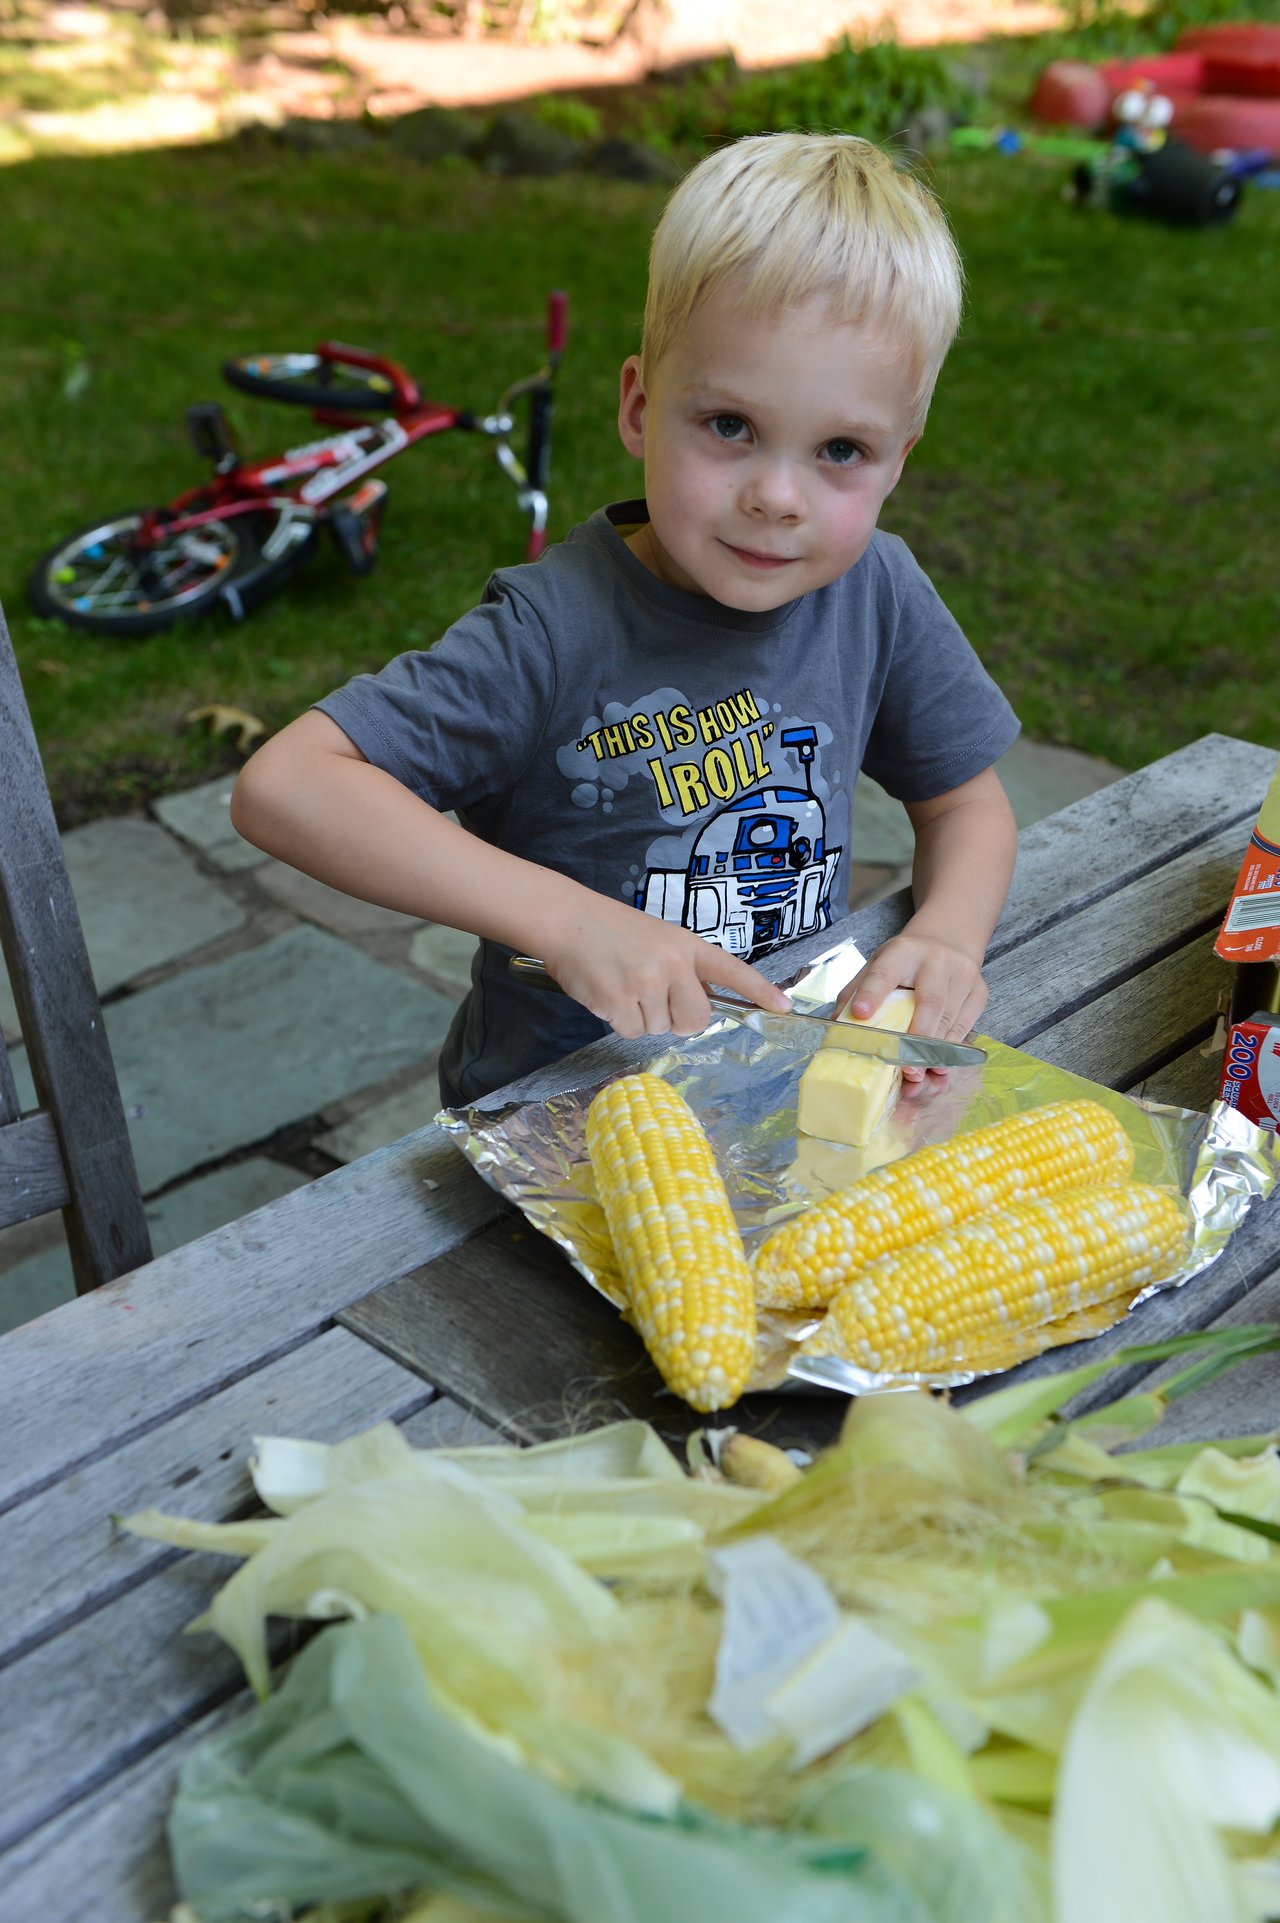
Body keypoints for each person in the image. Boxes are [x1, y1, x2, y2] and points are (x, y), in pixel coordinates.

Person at [231, 132, 1020, 1108]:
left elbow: (964, 805)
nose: (776, 496)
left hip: (782, 1097)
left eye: (840, 450)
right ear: (641, 409)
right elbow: (286, 784)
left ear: (898, 457)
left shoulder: (876, 592)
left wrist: (944, 933)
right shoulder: (552, 630)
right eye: (728, 426)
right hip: (558, 1124)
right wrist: (566, 922)